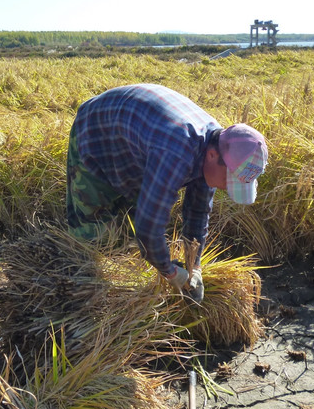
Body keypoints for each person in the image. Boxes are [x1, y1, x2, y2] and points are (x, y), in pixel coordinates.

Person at [66, 83, 268, 303]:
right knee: (94, 234)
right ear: (211, 155)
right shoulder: (177, 151)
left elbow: (198, 211)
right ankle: (79, 297)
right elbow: (148, 228)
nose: (225, 188)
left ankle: (124, 289)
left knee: (129, 230)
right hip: (96, 135)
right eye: (228, 181)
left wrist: (195, 266)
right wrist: (171, 273)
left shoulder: (222, 144)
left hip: (136, 146)